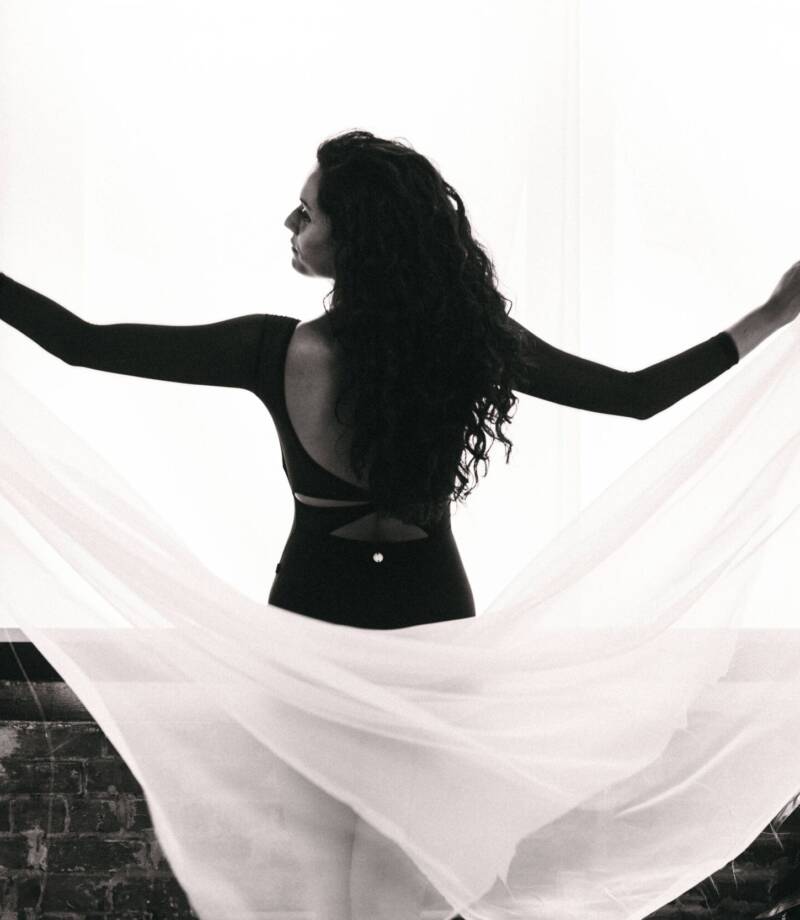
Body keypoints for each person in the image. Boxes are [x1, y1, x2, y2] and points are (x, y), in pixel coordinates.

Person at [2, 129, 800, 920]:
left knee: (320, 865)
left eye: (306, 212)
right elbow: (636, 395)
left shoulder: (270, 349)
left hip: (315, 617)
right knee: (396, 875)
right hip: (432, 618)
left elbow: (81, 345)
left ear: (356, 237)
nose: (291, 225)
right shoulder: (473, 345)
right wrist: (773, 313)